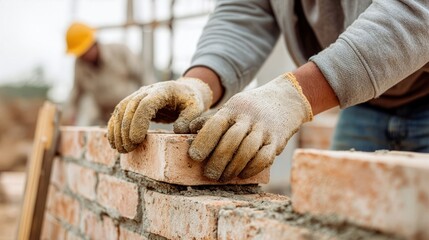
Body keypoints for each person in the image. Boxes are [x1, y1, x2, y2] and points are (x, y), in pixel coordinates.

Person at [107, 1, 429, 181]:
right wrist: (198, 84)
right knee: (341, 217)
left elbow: (415, 10)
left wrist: (294, 96)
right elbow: (244, 12)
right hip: (366, 104)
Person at [65, 22, 143, 125]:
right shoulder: (80, 64)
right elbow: (76, 90)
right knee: (87, 106)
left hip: (127, 109)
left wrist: (151, 102)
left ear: (93, 44)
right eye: (79, 54)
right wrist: (70, 112)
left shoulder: (120, 51)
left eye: (84, 52)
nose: (82, 56)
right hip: (102, 112)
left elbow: (143, 75)